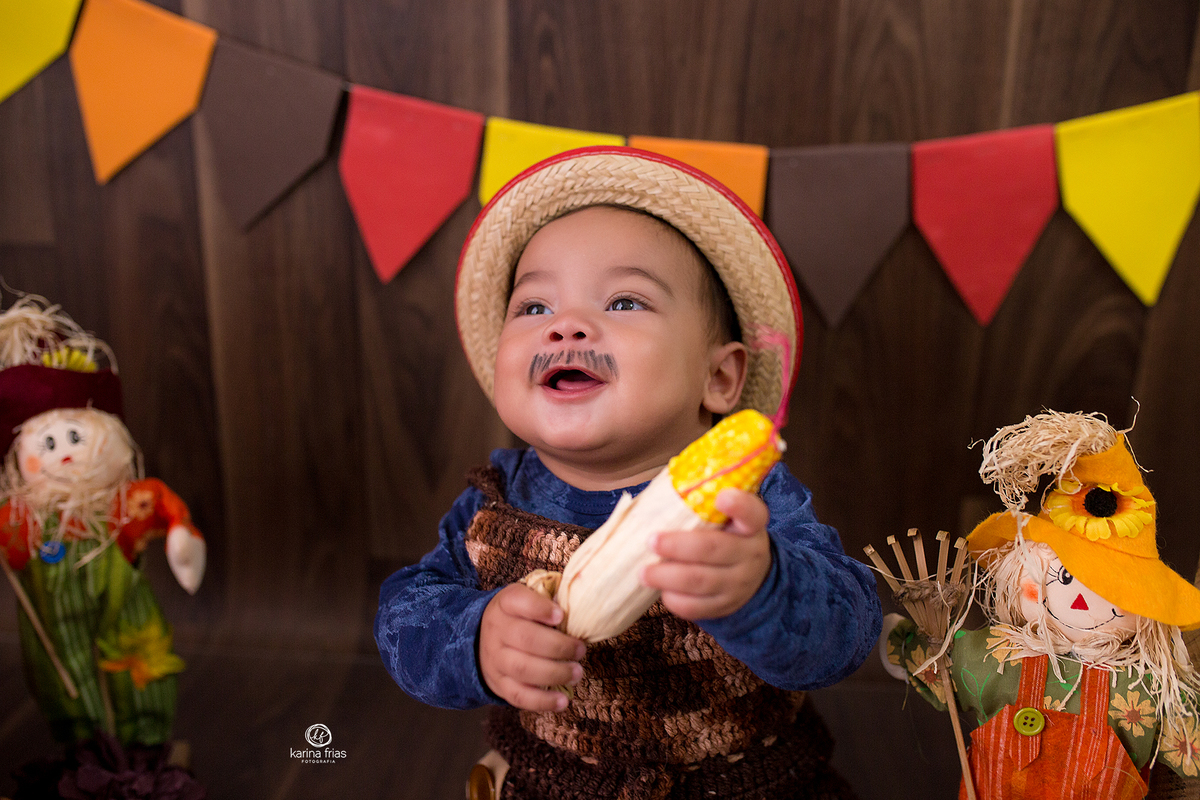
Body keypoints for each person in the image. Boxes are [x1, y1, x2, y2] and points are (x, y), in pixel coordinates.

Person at [375, 147, 882, 799]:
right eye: (533, 308)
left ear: (719, 377)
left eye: (623, 301)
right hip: (553, 784)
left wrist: (764, 585)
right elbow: (402, 619)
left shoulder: (749, 501)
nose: (565, 327)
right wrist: (472, 639)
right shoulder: (490, 506)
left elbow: (849, 628)